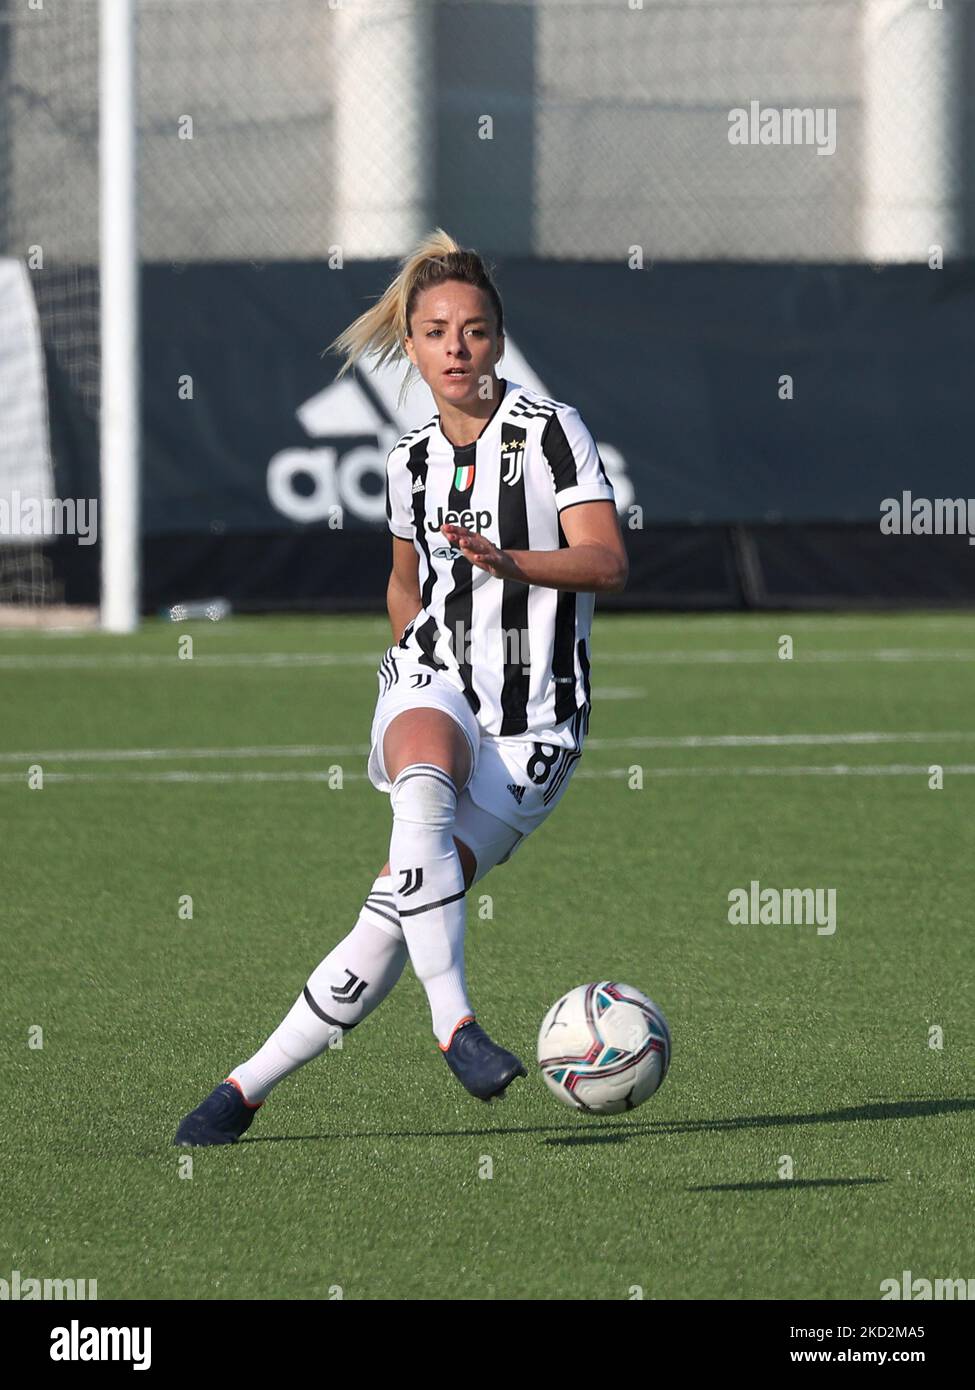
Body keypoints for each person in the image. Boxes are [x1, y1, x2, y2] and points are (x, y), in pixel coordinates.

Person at [173, 228, 628, 1145]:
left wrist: (513, 562)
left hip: (534, 725)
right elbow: (402, 579)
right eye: (435, 332)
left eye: (473, 331)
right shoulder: (408, 458)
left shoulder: (550, 433)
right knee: (418, 778)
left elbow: (608, 562)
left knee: (394, 912)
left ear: (497, 340)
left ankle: (242, 1090)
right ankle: (453, 1024)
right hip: (433, 677)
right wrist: (408, 668)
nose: (456, 349)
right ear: (411, 346)